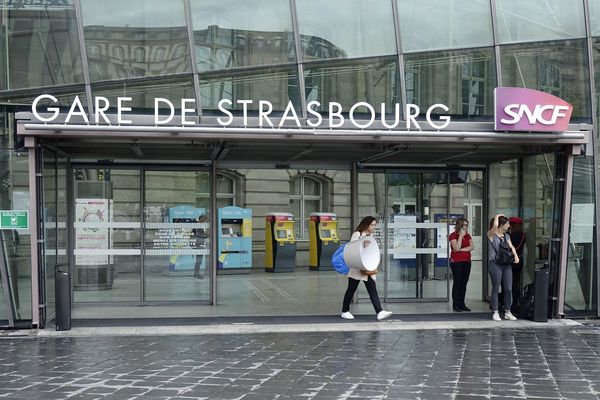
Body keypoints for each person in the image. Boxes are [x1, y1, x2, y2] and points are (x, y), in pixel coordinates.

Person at [341, 216, 393, 321]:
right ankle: (345, 311)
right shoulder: (357, 234)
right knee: (351, 290)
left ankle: (380, 312)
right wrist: (363, 244)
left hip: (366, 268)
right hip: (356, 268)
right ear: (366, 224)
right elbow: (352, 248)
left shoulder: (371, 235)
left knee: (372, 290)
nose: (374, 227)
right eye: (372, 225)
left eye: (375, 225)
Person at [487, 214, 520, 321]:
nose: (509, 225)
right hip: (495, 264)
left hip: (506, 264)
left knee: (508, 289)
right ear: (501, 225)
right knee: (496, 288)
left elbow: (511, 247)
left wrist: (515, 255)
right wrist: (497, 216)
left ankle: (507, 311)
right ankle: (495, 312)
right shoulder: (491, 235)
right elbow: (495, 225)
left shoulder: (506, 236)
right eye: (507, 224)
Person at [448, 218, 474, 312]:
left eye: (467, 225)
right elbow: (455, 248)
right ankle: (456, 304)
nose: (467, 227)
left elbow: (472, 247)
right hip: (457, 262)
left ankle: (462, 304)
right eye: (465, 225)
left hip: (467, 261)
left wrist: (461, 250)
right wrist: (460, 237)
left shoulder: (468, 236)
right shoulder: (453, 235)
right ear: (460, 226)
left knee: (464, 283)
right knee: (457, 283)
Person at [509, 217, 526, 311]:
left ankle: (514, 302)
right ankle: (514, 301)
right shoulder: (521, 234)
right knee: (515, 281)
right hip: (519, 258)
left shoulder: (515, 235)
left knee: (513, 283)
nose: (511, 226)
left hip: (514, 260)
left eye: (513, 224)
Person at [193, 214, 208, 279]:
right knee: (199, 260)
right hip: (199, 243)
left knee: (198, 260)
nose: (204, 221)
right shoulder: (198, 225)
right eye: (204, 219)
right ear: (201, 218)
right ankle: (197, 274)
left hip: (199, 243)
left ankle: (196, 274)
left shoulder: (198, 224)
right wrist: (206, 235)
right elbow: (198, 234)